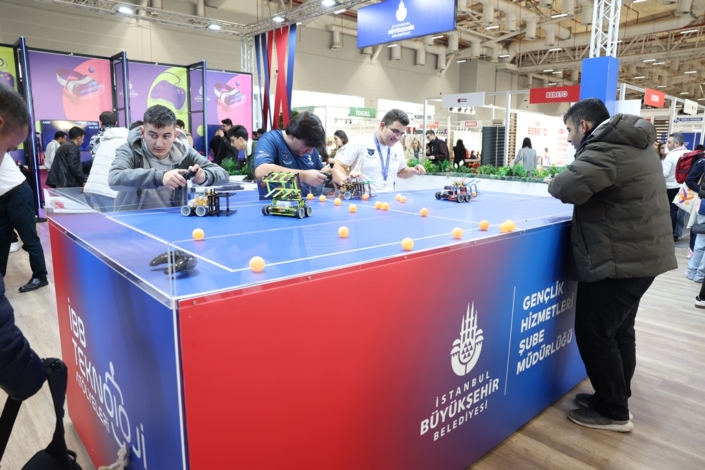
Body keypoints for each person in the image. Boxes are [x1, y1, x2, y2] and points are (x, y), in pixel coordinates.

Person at [547, 98, 676, 432]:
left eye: (569, 130)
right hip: (640, 256)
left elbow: (563, 187)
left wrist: (557, 176)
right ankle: (615, 397)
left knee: (594, 333)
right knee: (619, 330)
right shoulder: (633, 143)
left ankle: (613, 412)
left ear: (584, 125)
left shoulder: (606, 149)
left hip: (619, 259)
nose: (569, 138)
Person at [109, 105, 229, 211]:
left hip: (172, 221)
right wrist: (160, 177)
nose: (159, 144)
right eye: (153, 135)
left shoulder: (185, 152)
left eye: (166, 136)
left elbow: (223, 174)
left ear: (175, 135)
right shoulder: (130, 150)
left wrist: (204, 176)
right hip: (133, 222)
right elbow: (114, 178)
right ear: (142, 132)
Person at [0, 83, 49, 293]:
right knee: (1, 241)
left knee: (29, 238)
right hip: (3, 197)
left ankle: (40, 276)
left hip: (17, 193)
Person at [332, 109, 425, 193]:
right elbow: (339, 165)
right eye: (395, 131)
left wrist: (413, 171)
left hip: (388, 201)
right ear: (382, 125)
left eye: (401, 134)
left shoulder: (398, 147)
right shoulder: (360, 141)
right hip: (363, 201)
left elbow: (400, 171)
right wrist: (345, 182)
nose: (398, 137)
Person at [253, 111, 329, 195]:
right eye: (307, 146)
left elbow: (320, 169)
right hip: (277, 201)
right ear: (292, 136)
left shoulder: (309, 147)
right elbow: (261, 171)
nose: (310, 152)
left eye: (313, 147)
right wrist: (304, 176)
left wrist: (331, 173)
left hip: (307, 200)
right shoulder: (270, 139)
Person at [83, 121, 135, 212]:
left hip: (96, 185)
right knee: (116, 217)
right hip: (108, 188)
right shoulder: (125, 142)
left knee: (106, 217)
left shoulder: (107, 141)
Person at [664, 132, 689, 241]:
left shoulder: (671, 156)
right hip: (686, 187)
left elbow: (664, 174)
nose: (667, 144)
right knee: (682, 212)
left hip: (670, 187)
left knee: (671, 211)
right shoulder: (690, 153)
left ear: (676, 143)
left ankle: (669, 235)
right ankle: (677, 233)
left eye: (669, 142)